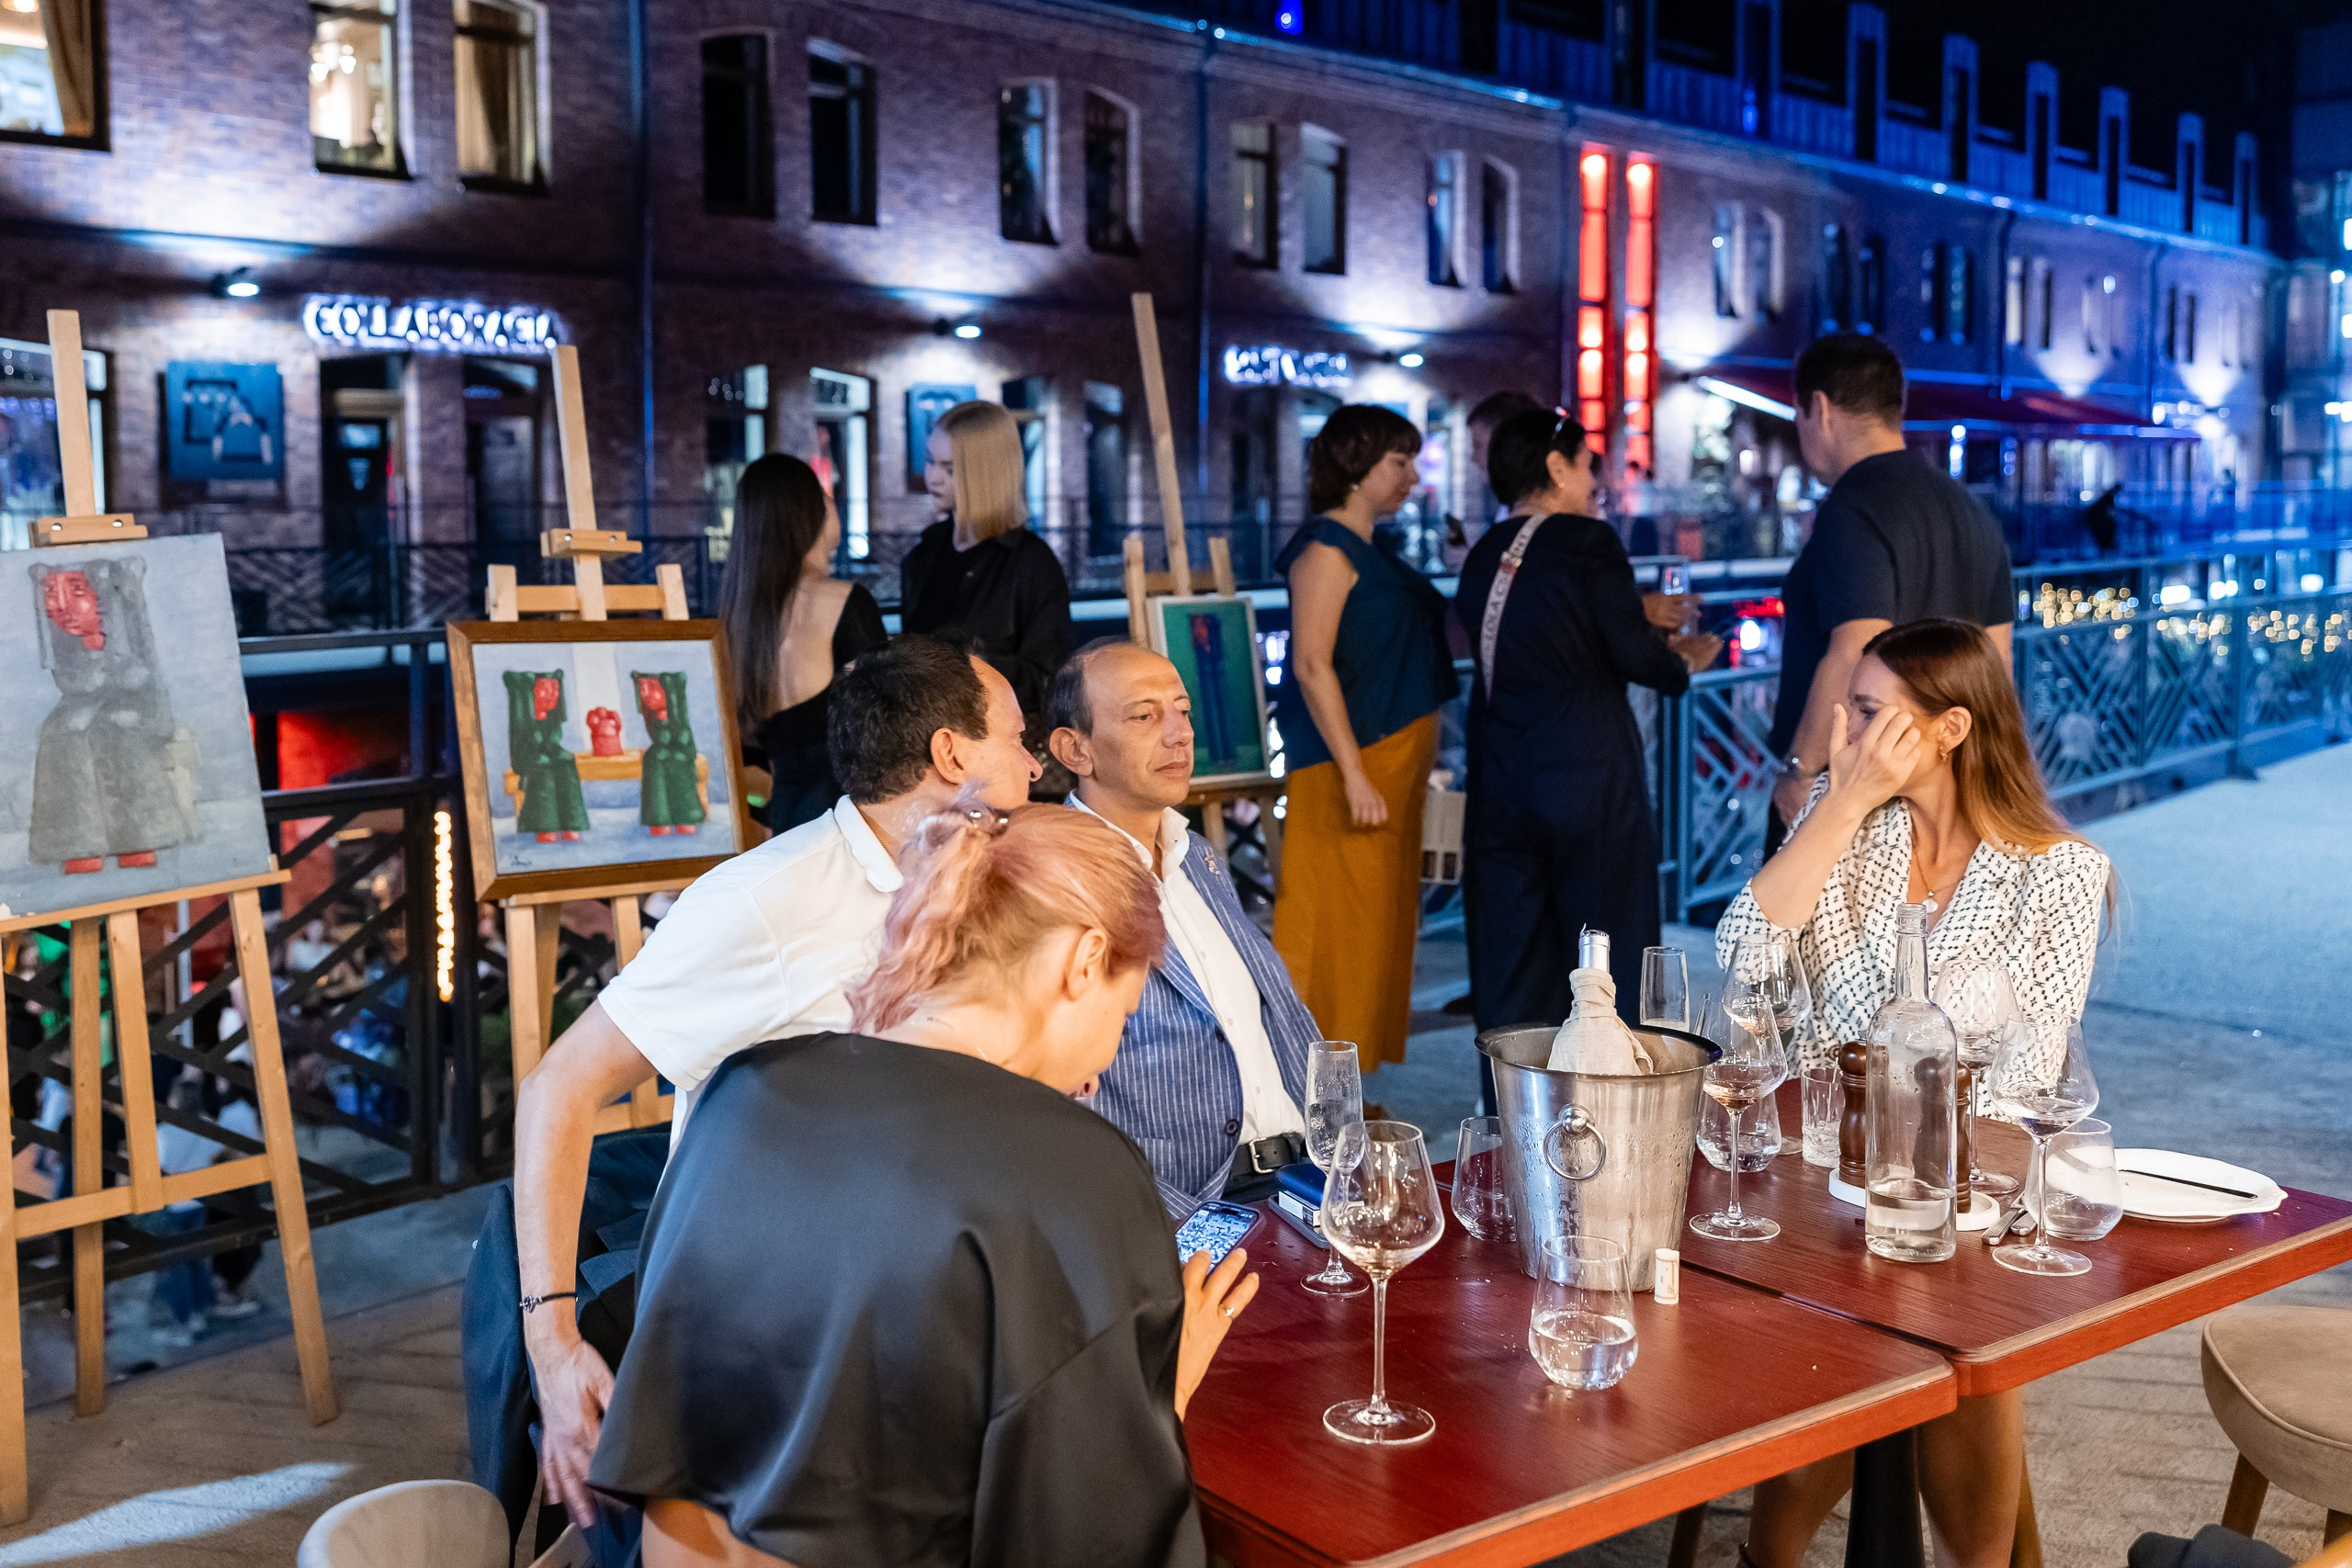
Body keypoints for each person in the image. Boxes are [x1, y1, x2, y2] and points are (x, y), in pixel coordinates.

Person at [590, 801, 1260, 1568]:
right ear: (1084, 960)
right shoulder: (1076, 1174)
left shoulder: (743, 1094)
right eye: (1125, 1009)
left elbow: (676, 1440)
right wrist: (1157, 1392)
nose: (1103, 1063)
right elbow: (1094, 1533)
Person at [515, 636, 1041, 1531]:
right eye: (1018, 739)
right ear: (952, 755)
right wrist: (552, 1344)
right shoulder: (769, 899)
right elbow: (560, 1085)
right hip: (764, 1337)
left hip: (909, 1306)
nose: (1035, 761)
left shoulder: (978, 880)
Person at [1716, 618, 2109, 1568]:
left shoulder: (2058, 876)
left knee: (1937, 1326)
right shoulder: (1844, 824)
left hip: (1967, 1197)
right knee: (1873, 1316)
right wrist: (1838, 807)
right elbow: (1741, 966)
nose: (1843, 737)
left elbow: (2021, 1086)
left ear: (1948, 730)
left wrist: (1916, 1172)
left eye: (1865, 714)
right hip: (1821, 1186)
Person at [1454, 411, 1719, 1053]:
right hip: (1589, 781)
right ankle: (1610, 1109)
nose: (1595, 481)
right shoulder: (1587, 540)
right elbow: (1633, 652)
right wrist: (1681, 661)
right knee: (1606, 959)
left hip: (1501, 784)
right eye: (1586, 463)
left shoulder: (1485, 550)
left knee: (1511, 966)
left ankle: (1512, 1122)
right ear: (1554, 465)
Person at [1046, 642, 1316, 1215]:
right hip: (1194, 1210)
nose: (1179, 733)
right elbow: (1057, 1104)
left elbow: (1275, 1018)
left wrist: (1345, 1161)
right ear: (1076, 749)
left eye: (1183, 711)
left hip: (1307, 1182)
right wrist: (1187, 1232)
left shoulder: (1194, 853)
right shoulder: (1052, 878)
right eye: (1145, 716)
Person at [1766, 333, 2015, 857]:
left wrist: (1801, 772)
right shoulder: (1972, 511)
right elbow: (1997, 669)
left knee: (1794, 934)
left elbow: (1856, 645)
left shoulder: (1850, 509)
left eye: (1799, 416)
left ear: (1819, 408)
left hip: (1859, 784)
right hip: (1945, 788)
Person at [1272, 404, 1459, 1073]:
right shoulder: (1325, 547)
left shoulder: (1372, 547)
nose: (1413, 476)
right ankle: (1312, 1083)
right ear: (1357, 467)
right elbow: (1312, 663)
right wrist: (1353, 773)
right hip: (1346, 764)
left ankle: (1351, 1085)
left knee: (1375, 930)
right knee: (1333, 926)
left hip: (1389, 765)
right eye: (1398, 462)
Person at [715, 453, 887, 833]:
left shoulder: (739, 619)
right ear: (808, 510)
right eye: (823, 494)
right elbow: (885, 721)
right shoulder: (844, 601)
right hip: (844, 818)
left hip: (780, 819)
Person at [900, 400, 1073, 728]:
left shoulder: (1030, 562)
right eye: (929, 461)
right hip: (928, 748)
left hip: (997, 751)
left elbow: (1049, 682)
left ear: (985, 473)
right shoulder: (923, 555)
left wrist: (960, 665)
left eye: (949, 468)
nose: (932, 477)